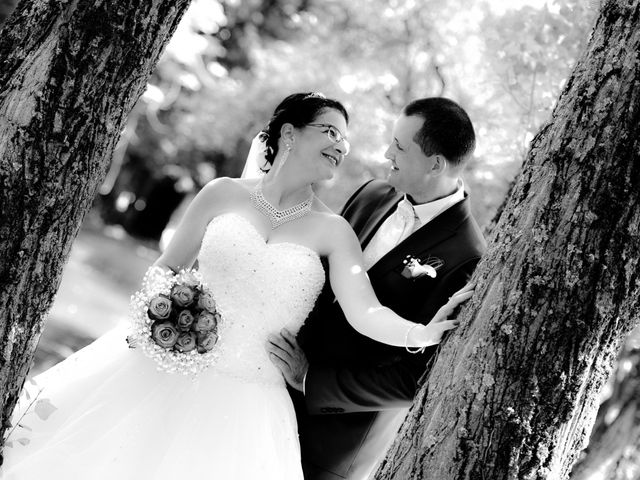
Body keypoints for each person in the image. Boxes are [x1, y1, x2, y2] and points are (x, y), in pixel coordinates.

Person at [1, 93, 472, 480]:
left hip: (249, 400)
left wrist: (421, 334)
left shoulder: (334, 232)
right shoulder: (222, 193)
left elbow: (365, 312)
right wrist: (158, 315)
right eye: (331, 131)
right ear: (289, 134)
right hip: (167, 366)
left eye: (345, 139)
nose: (343, 146)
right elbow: (166, 267)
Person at [267, 97, 486, 479]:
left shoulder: (467, 255)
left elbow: (413, 377)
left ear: (435, 164)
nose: (387, 153)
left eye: (400, 147)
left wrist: (309, 379)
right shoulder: (372, 194)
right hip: (268, 391)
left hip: (332, 441)